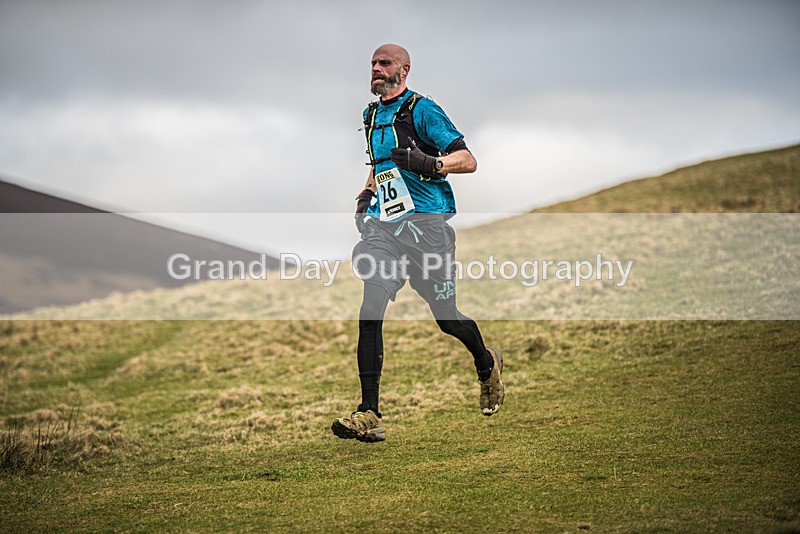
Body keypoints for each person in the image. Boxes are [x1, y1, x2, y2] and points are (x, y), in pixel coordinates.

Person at [331, 44, 503, 443]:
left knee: (446, 318)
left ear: (403, 70)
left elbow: (468, 159)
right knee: (370, 306)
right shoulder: (370, 114)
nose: (376, 69)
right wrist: (364, 197)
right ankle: (369, 413)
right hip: (385, 230)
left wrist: (431, 163)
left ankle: (485, 361)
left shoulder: (422, 110)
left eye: (384, 63)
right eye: (372, 63)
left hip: (428, 231)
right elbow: (379, 165)